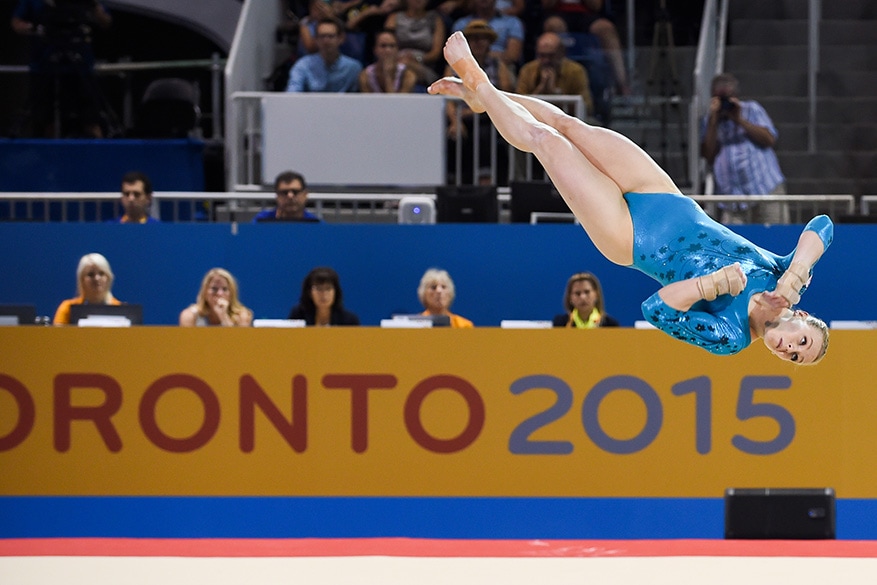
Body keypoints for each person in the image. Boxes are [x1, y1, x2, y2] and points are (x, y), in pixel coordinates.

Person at [428, 32, 833, 363]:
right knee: (568, 125)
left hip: (629, 237)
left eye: (795, 357)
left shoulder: (730, 335)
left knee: (547, 142)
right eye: (802, 341)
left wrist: (710, 285)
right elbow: (822, 227)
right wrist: (797, 272)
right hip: (662, 195)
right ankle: (488, 100)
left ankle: (477, 79)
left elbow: (657, 310)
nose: (790, 349)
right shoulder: (781, 275)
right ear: (803, 317)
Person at [11, 0, 112, 138]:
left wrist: (93, 5)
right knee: (46, 119)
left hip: (81, 65)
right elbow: (16, 22)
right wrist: (35, 28)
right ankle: (48, 156)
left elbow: (105, 22)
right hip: (45, 64)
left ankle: (97, 154)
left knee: (91, 117)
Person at [701, 73, 789, 225]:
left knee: (776, 241)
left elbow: (769, 139)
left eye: (727, 98)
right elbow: (708, 154)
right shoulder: (710, 121)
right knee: (734, 246)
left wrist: (739, 119)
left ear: (735, 95)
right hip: (732, 200)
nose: (725, 103)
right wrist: (713, 120)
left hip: (765, 191)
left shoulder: (751, 109)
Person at [443, 20, 514, 184]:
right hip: (462, 117)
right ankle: (458, 182)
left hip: (489, 116)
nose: (478, 42)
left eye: (482, 38)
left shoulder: (497, 65)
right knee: (454, 136)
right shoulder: (454, 67)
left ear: (489, 43)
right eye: (473, 39)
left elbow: (506, 93)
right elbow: (447, 98)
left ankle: (489, 179)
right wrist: (455, 120)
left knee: (486, 134)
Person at [539, 0, 629, 95]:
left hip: (587, 13)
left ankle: (622, 84)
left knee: (606, 28)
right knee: (554, 25)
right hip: (558, 13)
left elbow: (596, 6)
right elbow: (547, 4)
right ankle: (551, 80)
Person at [516, 31, 593, 117]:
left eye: (551, 56)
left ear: (562, 53)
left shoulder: (576, 71)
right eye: (542, 55)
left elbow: (586, 107)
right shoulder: (527, 70)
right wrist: (541, 89)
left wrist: (557, 94)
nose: (546, 60)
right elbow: (519, 106)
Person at [287, 18, 362, 92]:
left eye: (330, 36)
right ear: (316, 39)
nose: (326, 41)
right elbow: (292, 93)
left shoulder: (353, 68)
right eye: (322, 36)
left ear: (341, 38)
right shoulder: (303, 65)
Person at [384, 0, 446, 88]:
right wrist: (398, 58)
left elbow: (436, 53)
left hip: (424, 65)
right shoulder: (394, 18)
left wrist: (417, 58)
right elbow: (386, 42)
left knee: (407, 69)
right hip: (397, 60)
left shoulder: (435, 20)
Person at [53, 252, 121, 324]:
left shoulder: (121, 310)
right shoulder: (67, 309)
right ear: (82, 279)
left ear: (108, 277)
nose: (96, 278)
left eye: (101, 273)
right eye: (90, 274)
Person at [451, 0, 524, 67]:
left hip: (502, 65)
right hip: (467, 66)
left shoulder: (512, 22)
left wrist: (482, 54)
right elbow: (455, 55)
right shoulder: (461, 24)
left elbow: (513, 56)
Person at [179, 268, 253, 327]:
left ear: (231, 293)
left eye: (225, 289)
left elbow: (238, 343)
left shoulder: (242, 316)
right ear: (205, 292)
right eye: (214, 289)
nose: (220, 294)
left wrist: (224, 317)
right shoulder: (190, 316)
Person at [288, 266, 361, 326]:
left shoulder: (349, 320)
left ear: (336, 292)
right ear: (309, 292)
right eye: (318, 289)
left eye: (328, 289)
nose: (324, 294)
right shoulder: (298, 316)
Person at [552, 272, 619, 328]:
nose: (583, 297)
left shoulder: (610, 324)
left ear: (596, 294)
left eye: (587, 292)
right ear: (570, 297)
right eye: (577, 293)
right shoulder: (560, 323)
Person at [253, 170, 321, 222]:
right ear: (277, 196)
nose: (290, 196)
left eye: (295, 192)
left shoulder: (317, 226)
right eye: (284, 192)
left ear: (305, 194)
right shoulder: (261, 222)